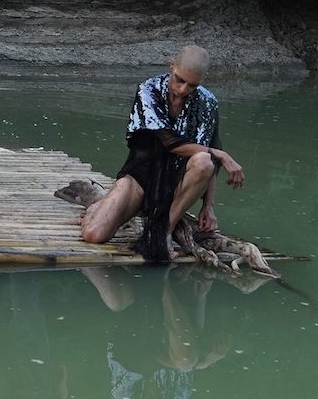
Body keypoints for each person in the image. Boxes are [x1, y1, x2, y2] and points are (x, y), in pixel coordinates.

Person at [80, 45, 245, 262]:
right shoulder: (148, 90)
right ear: (171, 65)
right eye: (179, 80)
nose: (184, 89)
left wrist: (208, 207)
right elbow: (169, 142)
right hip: (141, 176)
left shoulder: (208, 102)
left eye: (192, 85)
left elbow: (211, 155)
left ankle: (163, 232)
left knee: (205, 160)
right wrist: (221, 154)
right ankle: (98, 205)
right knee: (93, 234)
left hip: (177, 182)